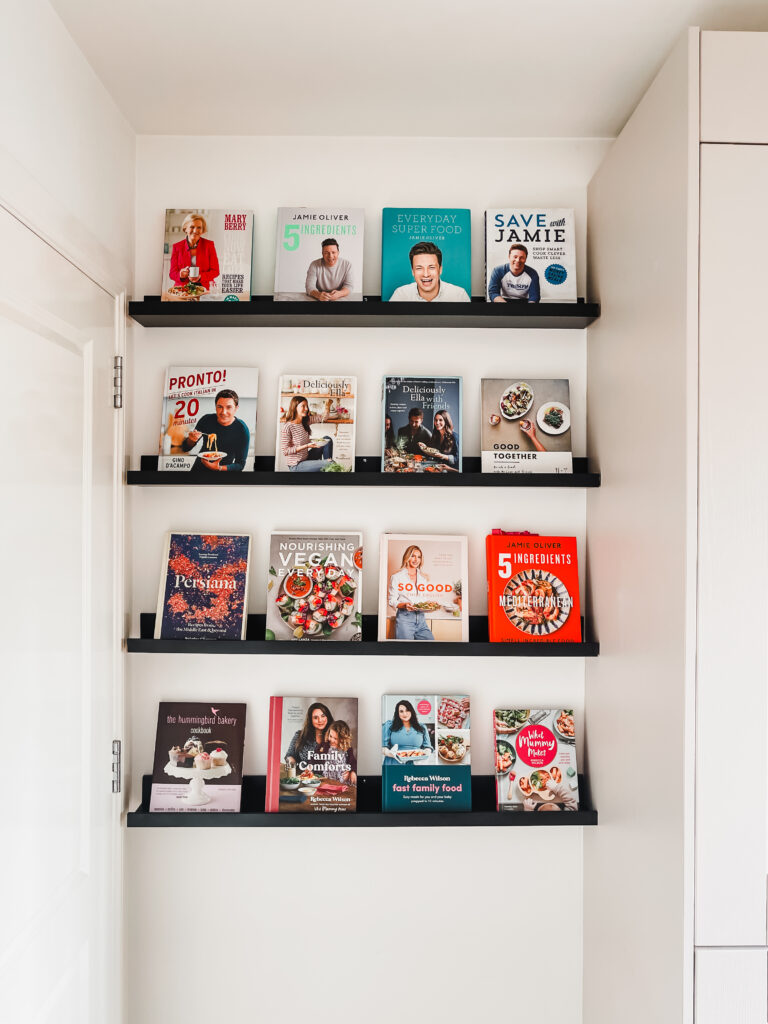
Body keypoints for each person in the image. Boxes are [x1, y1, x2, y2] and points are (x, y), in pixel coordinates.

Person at [182, 389, 250, 472]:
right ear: (215, 407)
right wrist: (191, 440)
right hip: (198, 471)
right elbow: (185, 448)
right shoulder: (206, 420)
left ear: (236, 408)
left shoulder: (242, 430)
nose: (223, 412)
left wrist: (219, 468)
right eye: (220, 407)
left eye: (229, 407)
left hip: (222, 474)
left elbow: (240, 464)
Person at [389, 242, 470, 302]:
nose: (426, 274)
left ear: (440, 270)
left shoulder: (459, 296)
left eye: (431, 267)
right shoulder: (400, 295)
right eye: (419, 268)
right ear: (413, 271)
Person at [387, 545, 435, 641]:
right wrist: (404, 605)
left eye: (419, 557)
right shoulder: (397, 577)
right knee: (405, 651)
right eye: (413, 556)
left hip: (421, 619)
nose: (416, 559)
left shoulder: (424, 578)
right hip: (405, 619)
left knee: (431, 647)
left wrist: (430, 605)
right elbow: (391, 600)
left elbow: (423, 599)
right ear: (407, 557)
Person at [280, 394, 335, 472]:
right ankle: (327, 466)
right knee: (331, 463)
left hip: (306, 458)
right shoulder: (288, 426)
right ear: (295, 407)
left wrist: (327, 406)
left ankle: (327, 466)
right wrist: (306, 446)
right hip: (296, 465)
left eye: (307, 406)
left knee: (327, 439)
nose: (306, 408)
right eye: (303, 406)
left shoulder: (305, 421)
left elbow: (323, 417)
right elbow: (285, 451)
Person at [169, 213, 220, 292]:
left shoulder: (209, 245)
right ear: (185, 228)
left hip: (204, 289)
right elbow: (172, 273)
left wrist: (200, 276)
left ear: (202, 230)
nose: (195, 230)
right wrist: (180, 275)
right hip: (182, 290)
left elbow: (215, 271)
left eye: (199, 227)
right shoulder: (177, 247)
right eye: (192, 227)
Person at [284, 702, 333, 769]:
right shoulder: (299, 735)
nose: (320, 720)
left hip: (328, 778)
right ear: (310, 720)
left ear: (327, 717)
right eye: (315, 717)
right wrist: (291, 764)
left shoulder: (335, 736)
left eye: (323, 716)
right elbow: (289, 755)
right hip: (304, 776)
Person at [382, 700, 433, 764]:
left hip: (415, 764)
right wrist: (389, 753)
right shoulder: (389, 726)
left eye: (407, 710)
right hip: (393, 762)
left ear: (411, 711)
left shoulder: (422, 727)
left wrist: (426, 754)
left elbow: (427, 747)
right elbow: (383, 747)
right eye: (401, 711)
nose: (405, 714)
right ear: (397, 713)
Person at [321, 721, 357, 785]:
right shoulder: (325, 745)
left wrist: (352, 772)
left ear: (342, 739)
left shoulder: (347, 749)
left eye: (335, 738)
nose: (332, 740)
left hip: (342, 781)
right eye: (330, 736)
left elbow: (353, 762)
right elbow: (314, 758)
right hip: (327, 780)